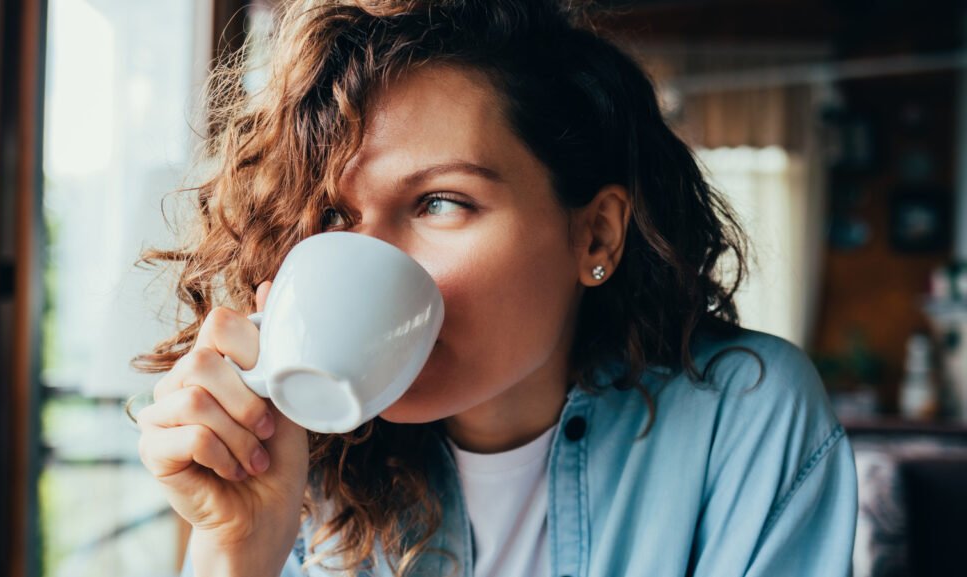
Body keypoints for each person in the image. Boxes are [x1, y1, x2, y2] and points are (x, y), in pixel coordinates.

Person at [132, 1, 858, 576]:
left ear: (595, 235)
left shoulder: (742, 419)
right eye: (333, 215)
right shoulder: (299, 462)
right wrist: (235, 554)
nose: (368, 259)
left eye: (441, 202)